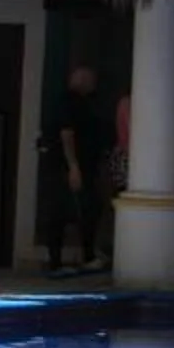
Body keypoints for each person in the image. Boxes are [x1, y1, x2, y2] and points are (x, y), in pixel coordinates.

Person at [44, 63, 114, 274]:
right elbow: (67, 134)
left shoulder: (84, 103)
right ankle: (60, 261)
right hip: (68, 167)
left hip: (81, 165)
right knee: (67, 210)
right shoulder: (68, 102)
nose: (94, 85)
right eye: (91, 80)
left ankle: (86, 255)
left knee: (89, 208)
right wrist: (73, 166)